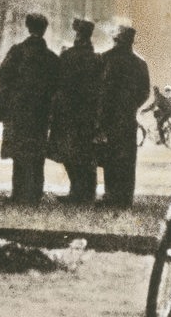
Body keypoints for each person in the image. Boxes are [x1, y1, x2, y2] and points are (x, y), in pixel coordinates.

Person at [0, 13, 60, 204]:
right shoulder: (51, 57)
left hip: (19, 109)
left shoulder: (18, 51)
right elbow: (56, 84)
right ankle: (36, 192)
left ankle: (19, 193)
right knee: (37, 151)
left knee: (20, 151)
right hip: (41, 110)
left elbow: (2, 72)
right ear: (44, 29)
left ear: (28, 27)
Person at [48, 18, 103, 204]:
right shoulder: (96, 58)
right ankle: (86, 192)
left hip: (68, 111)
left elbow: (58, 80)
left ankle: (77, 191)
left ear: (78, 35)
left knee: (69, 152)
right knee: (85, 153)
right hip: (87, 112)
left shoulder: (68, 56)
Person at [96, 25, 150, 208]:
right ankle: (125, 197)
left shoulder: (105, 58)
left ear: (116, 39)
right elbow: (144, 91)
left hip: (108, 115)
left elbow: (98, 90)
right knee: (127, 157)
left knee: (110, 155)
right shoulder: (140, 63)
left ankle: (110, 195)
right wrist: (132, 106)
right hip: (127, 116)